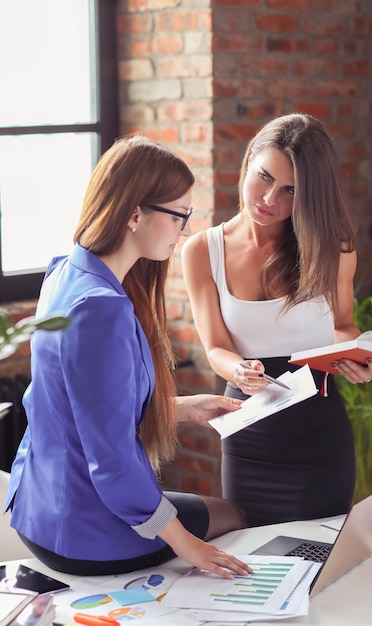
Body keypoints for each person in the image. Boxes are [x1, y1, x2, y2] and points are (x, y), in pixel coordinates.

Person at [4, 135, 252, 579]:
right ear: (135, 214)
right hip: (82, 530)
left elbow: (81, 408)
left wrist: (183, 409)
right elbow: (114, 462)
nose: (187, 230)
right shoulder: (101, 310)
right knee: (234, 517)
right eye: (180, 215)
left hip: (39, 509)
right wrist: (189, 547)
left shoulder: (66, 269)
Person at [181, 113, 372, 527]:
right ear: (249, 159)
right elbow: (216, 346)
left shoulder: (334, 249)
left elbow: (343, 324)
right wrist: (238, 369)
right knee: (254, 562)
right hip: (249, 432)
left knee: (322, 557)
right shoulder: (203, 250)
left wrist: (360, 356)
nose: (269, 199)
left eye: (290, 190)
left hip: (319, 432)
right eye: (264, 177)